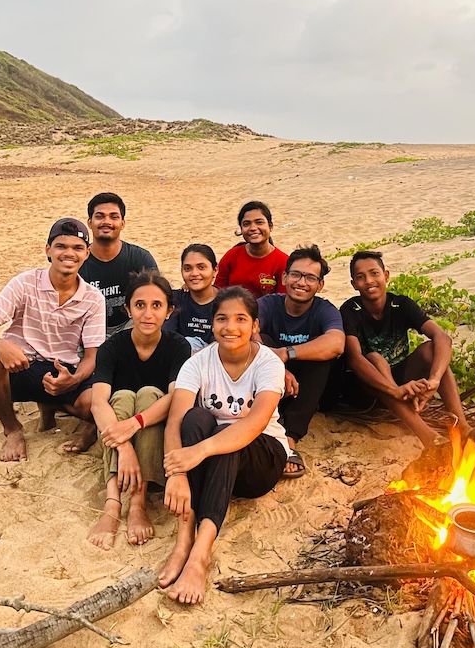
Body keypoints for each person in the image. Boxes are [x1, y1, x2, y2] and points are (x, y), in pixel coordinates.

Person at [158, 287, 288, 604]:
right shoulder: (197, 363)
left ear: (255, 325)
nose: (230, 327)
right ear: (212, 323)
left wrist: (197, 452)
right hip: (212, 459)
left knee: (229, 438)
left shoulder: (269, 364)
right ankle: (184, 533)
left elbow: (255, 423)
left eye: (241, 319)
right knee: (195, 418)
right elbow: (175, 421)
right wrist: (175, 473)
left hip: (262, 458)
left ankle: (200, 554)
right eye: (222, 319)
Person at [340, 251, 475, 453]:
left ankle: (463, 429)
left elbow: (442, 338)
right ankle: (430, 438)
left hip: (399, 381)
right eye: (361, 277)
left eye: (374, 273)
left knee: (432, 350)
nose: (369, 281)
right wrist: (395, 390)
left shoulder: (401, 304)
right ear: (354, 284)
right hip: (366, 389)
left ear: (386, 275)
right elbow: (354, 359)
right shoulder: (350, 310)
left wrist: (434, 380)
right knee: (375, 358)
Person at [0, 218, 106, 462]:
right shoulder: (24, 283)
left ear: (87, 253)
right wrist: (2, 345)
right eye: (61, 246)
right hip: (22, 364)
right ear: (48, 250)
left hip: (61, 369)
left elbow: (93, 355)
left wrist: (74, 379)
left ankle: (56, 407)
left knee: (93, 403)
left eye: (77, 248)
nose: (68, 254)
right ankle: (12, 429)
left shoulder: (93, 298)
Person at [87, 272, 190, 550]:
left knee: (148, 394)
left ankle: (137, 502)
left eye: (157, 305)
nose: (147, 313)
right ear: (128, 309)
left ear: (169, 311)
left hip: (152, 435)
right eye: (140, 305)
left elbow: (175, 396)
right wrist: (124, 448)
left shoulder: (178, 346)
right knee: (118, 397)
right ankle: (112, 500)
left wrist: (136, 423)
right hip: (119, 439)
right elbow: (98, 402)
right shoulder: (112, 347)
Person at [257, 245, 345, 478]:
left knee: (321, 354)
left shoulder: (324, 310)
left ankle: (290, 439)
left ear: (320, 285)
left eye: (310, 277)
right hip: (275, 386)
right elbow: (247, 329)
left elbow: (337, 342)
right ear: (285, 277)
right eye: (296, 274)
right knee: (259, 340)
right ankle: (263, 423)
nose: (301, 282)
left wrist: (286, 354)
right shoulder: (268, 304)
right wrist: (278, 366)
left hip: (311, 390)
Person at [79, 192, 158, 334]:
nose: (106, 222)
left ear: (122, 223)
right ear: (89, 222)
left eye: (114, 217)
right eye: (100, 216)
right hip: (89, 329)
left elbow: (158, 297)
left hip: (130, 327)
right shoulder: (78, 262)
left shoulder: (139, 258)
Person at [215, 201, 288, 297]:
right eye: (246, 224)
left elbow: (282, 301)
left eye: (259, 222)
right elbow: (218, 291)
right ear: (241, 229)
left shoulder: (283, 262)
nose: (253, 228)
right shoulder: (231, 256)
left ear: (270, 226)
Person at [163, 244, 219, 352]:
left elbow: (223, 340)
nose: (194, 274)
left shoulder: (226, 301)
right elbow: (167, 333)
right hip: (179, 357)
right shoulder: (175, 299)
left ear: (215, 270)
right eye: (187, 268)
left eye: (201, 267)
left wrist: (195, 357)